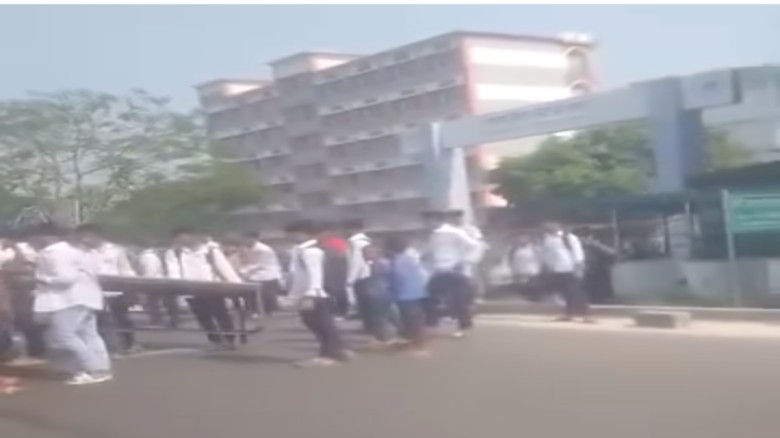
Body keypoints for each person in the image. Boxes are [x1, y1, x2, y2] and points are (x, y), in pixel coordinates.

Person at [28, 222, 112, 385]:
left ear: (44, 236)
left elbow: (65, 278)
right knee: (89, 334)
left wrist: (41, 279)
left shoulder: (54, 252)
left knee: (63, 335)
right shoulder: (79, 250)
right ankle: (101, 368)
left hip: (69, 298)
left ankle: (94, 369)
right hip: (88, 297)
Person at [164, 227, 243, 351]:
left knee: (221, 314)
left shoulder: (210, 250)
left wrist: (236, 285)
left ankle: (230, 339)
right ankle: (214, 340)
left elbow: (223, 267)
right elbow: (173, 271)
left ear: (191, 235)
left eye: (183, 237)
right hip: (191, 290)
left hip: (212, 288)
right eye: (177, 239)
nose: (181, 241)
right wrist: (179, 286)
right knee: (203, 317)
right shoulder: (174, 253)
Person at [285, 219, 349, 366]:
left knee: (321, 324)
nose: (289, 237)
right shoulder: (301, 250)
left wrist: (311, 294)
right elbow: (299, 276)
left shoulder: (311, 252)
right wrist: (294, 296)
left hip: (314, 294)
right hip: (307, 293)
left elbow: (315, 274)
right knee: (317, 323)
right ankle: (334, 352)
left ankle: (331, 353)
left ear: (303, 233)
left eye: (292, 234)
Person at [74, 224, 140, 356]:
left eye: (88, 236)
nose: (85, 240)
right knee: (99, 320)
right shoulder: (79, 252)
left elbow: (125, 268)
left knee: (121, 317)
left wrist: (131, 287)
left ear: (97, 236)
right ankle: (107, 348)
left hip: (115, 291)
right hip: (93, 290)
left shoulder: (115, 250)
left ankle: (130, 343)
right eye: (82, 237)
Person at [422, 210, 482, 338]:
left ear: (437, 220)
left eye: (428, 221)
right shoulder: (433, 235)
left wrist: (464, 261)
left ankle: (463, 326)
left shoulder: (454, 232)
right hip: (439, 270)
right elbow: (429, 252)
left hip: (455, 270)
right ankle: (431, 324)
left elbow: (475, 246)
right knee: (430, 296)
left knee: (458, 300)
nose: (426, 224)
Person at [383, 234, 429, 356]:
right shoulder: (410, 258)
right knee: (415, 319)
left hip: (405, 295)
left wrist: (393, 294)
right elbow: (423, 274)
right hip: (418, 292)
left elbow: (399, 279)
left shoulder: (396, 262)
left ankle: (419, 346)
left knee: (412, 320)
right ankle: (412, 342)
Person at [537, 222, 591, 322]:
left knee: (576, 292)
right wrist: (548, 266)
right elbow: (546, 254)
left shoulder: (568, 237)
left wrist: (579, 265)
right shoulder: (547, 240)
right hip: (557, 269)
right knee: (566, 293)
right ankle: (569, 313)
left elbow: (577, 251)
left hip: (571, 267)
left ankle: (584, 314)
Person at [237, 231, 283, 317]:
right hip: (254, 274)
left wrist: (243, 271)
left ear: (254, 238)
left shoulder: (263, 249)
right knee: (252, 295)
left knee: (267, 296)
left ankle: (268, 312)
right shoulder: (247, 248)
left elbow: (260, 263)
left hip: (267, 275)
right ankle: (255, 311)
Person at [344, 219, 372, 331]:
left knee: (360, 299)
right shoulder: (367, 240)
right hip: (368, 272)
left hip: (359, 274)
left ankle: (365, 322)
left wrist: (351, 278)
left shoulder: (354, 243)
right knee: (367, 300)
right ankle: (369, 323)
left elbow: (355, 261)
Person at [578, 227, 619, 304]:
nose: (585, 239)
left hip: (600, 274)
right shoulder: (578, 247)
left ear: (591, 236)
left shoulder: (597, 245)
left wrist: (597, 245)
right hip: (587, 275)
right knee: (589, 297)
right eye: (583, 237)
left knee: (602, 297)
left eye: (587, 236)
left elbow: (612, 253)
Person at [318, 222, 350, 318]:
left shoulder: (337, 241)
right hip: (328, 267)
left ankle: (342, 311)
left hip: (337, 267)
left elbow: (341, 254)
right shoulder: (322, 241)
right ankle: (331, 311)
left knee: (339, 290)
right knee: (328, 290)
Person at [507, 231, 542, 301]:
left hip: (532, 272)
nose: (522, 239)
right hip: (520, 271)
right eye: (521, 238)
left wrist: (539, 268)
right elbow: (511, 259)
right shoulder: (514, 249)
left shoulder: (534, 248)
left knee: (533, 289)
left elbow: (540, 258)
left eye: (525, 238)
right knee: (522, 289)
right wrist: (513, 269)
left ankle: (535, 300)